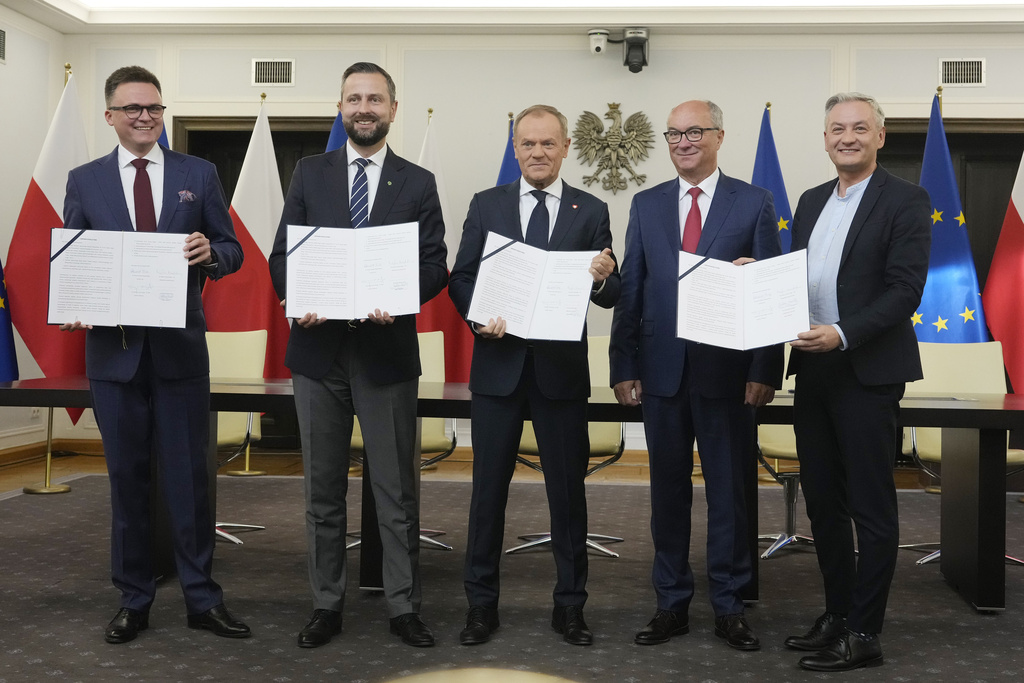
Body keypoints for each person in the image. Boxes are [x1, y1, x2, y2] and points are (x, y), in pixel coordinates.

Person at [60, 65, 248, 644]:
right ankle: (134, 599)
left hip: (178, 352)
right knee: (128, 480)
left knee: (191, 480)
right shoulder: (85, 179)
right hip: (113, 357)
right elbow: (72, 256)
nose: (146, 117)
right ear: (111, 115)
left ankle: (201, 598)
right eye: (133, 108)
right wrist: (73, 298)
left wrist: (208, 252)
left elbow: (234, 249)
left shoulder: (200, 173)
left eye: (155, 109)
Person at [267, 62, 448, 649]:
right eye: (353, 98)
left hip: (385, 352)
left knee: (396, 492)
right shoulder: (308, 173)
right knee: (322, 491)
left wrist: (398, 300)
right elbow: (282, 256)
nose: (363, 107)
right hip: (319, 355)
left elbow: (433, 266)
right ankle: (326, 604)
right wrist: (298, 298)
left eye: (374, 98)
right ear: (340, 108)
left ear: (393, 109)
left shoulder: (418, 181)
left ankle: (403, 607)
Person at [609, 100, 782, 651]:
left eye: (695, 132)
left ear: (719, 136)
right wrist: (623, 364)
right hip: (661, 374)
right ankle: (671, 603)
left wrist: (764, 368)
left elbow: (768, 293)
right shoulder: (647, 203)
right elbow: (631, 289)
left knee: (730, 494)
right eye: (674, 134)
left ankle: (730, 606)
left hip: (728, 375)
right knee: (667, 495)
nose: (683, 142)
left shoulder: (753, 203)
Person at [448, 104, 619, 647]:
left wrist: (602, 277)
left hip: (559, 374)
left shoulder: (590, 210)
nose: (538, 153)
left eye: (548, 143)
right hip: (497, 370)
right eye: (528, 144)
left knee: (567, 495)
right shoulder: (486, 204)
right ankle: (480, 607)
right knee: (486, 494)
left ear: (566, 147)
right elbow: (461, 278)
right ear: (515, 148)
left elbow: (613, 294)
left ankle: (570, 606)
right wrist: (479, 317)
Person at [785, 92, 930, 672]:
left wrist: (842, 334)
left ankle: (865, 631)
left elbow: (904, 291)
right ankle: (838, 614)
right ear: (824, 139)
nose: (847, 137)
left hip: (867, 372)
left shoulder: (907, 200)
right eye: (837, 129)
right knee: (822, 502)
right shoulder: (811, 199)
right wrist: (759, 280)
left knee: (870, 507)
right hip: (813, 370)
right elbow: (797, 276)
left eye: (859, 128)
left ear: (880, 136)